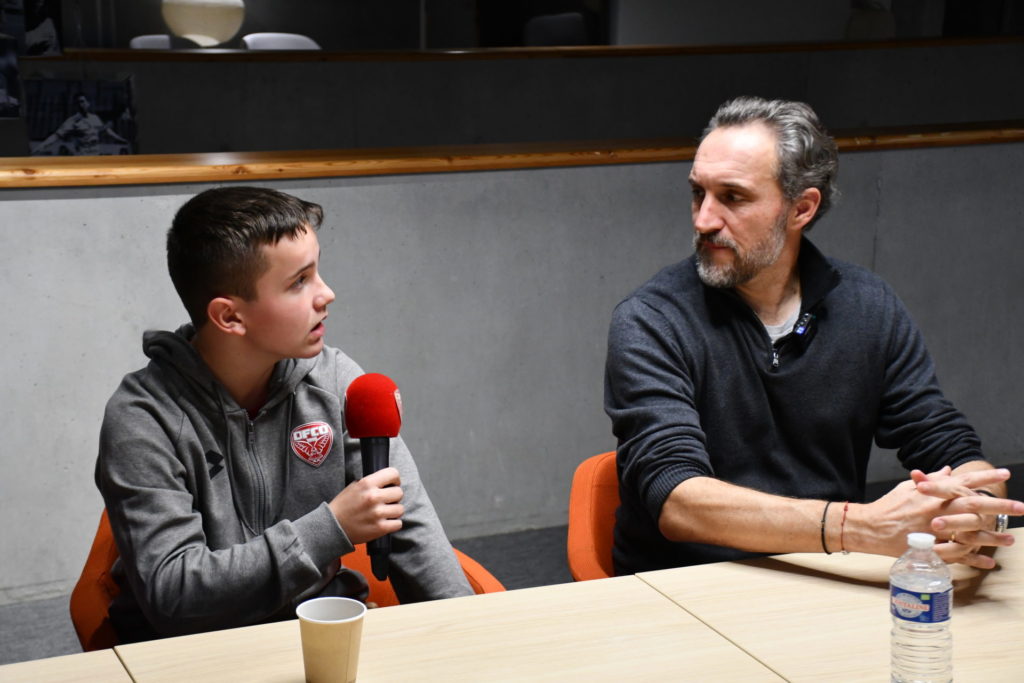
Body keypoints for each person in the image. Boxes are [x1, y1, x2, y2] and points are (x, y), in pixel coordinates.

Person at [604, 96, 1023, 574]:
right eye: (699, 193)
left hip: (824, 575)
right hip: (686, 586)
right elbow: (678, 500)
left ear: (801, 208)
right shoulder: (652, 319)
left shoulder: (868, 306)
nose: (704, 219)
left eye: (733, 197)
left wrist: (974, 510)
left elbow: (949, 444)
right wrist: (859, 527)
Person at [96, 186, 472, 643]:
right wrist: (329, 529)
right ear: (230, 317)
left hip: (315, 630)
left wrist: (470, 641)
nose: (327, 293)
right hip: (189, 653)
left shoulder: (335, 380)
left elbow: (409, 527)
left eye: (318, 272)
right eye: (300, 282)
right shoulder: (142, 418)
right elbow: (175, 595)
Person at [34, 93, 129, 155]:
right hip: (83, 153)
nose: (81, 104)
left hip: (96, 151)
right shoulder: (72, 121)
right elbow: (56, 136)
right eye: (78, 102)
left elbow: (108, 131)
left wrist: (122, 140)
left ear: (88, 103)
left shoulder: (95, 118)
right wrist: (40, 147)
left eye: (83, 101)